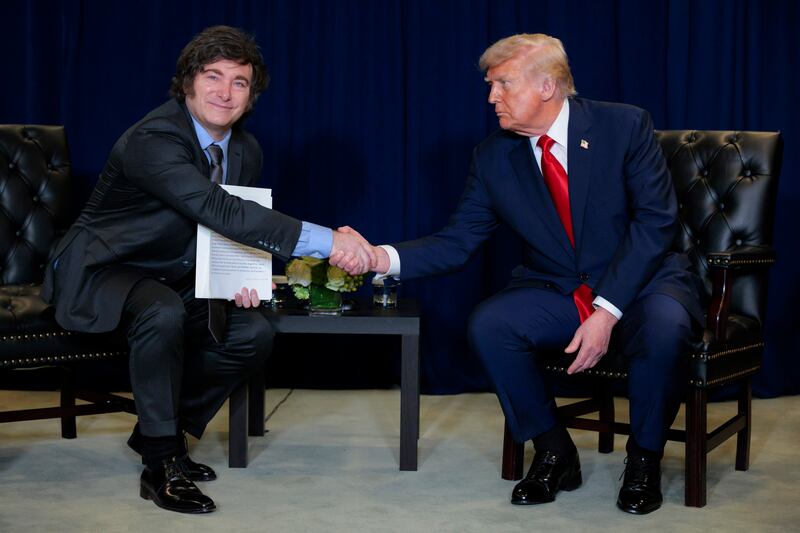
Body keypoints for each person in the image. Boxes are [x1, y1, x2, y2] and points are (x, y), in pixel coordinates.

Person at [359, 33, 701, 514]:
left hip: (642, 283)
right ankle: (554, 452)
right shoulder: (493, 156)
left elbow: (655, 223)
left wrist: (606, 312)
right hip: (559, 288)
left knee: (667, 327)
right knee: (491, 324)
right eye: (490, 85)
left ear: (547, 86)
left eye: (501, 83)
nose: (491, 96)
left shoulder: (623, 125)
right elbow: (457, 243)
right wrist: (379, 257)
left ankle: (644, 459)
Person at [42, 25, 374, 514]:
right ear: (187, 84)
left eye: (239, 82)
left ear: (251, 94)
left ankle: (160, 431)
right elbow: (222, 211)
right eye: (212, 76)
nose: (224, 91)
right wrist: (330, 242)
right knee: (161, 311)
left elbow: (224, 230)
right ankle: (161, 463)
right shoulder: (153, 139)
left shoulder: (246, 150)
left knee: (253, 333)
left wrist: (236, 276)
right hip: (103, 269)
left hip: (171, 272)